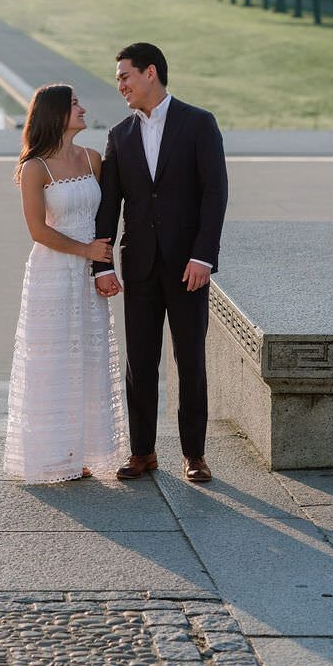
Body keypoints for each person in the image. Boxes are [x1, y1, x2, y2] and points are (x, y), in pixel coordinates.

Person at [92, 43, 228, 485]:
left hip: (189, 267)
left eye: (124, 76)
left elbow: (214, 194)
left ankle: (195, 455)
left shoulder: (199, 123)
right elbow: (109, 205)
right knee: (140, 362)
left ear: (151, 72)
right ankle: (143, 452)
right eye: (118, 79)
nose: (120, 86)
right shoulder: (119, 135)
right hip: (140, 267)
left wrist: (203, 255)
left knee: (190, 361)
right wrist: (103, 264)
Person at [4, 83, 128, 483]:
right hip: (53, 274)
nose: (82, 108)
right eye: (75, 104)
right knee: (52, 360)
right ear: (55, 114)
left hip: (88, 273)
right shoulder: (34, 168)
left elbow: (109, 211)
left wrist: (102, 264)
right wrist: (87, 251)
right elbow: (38, 231)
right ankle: (53, 456)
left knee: (87, 359)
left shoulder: (93, 159)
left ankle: (84, 452)